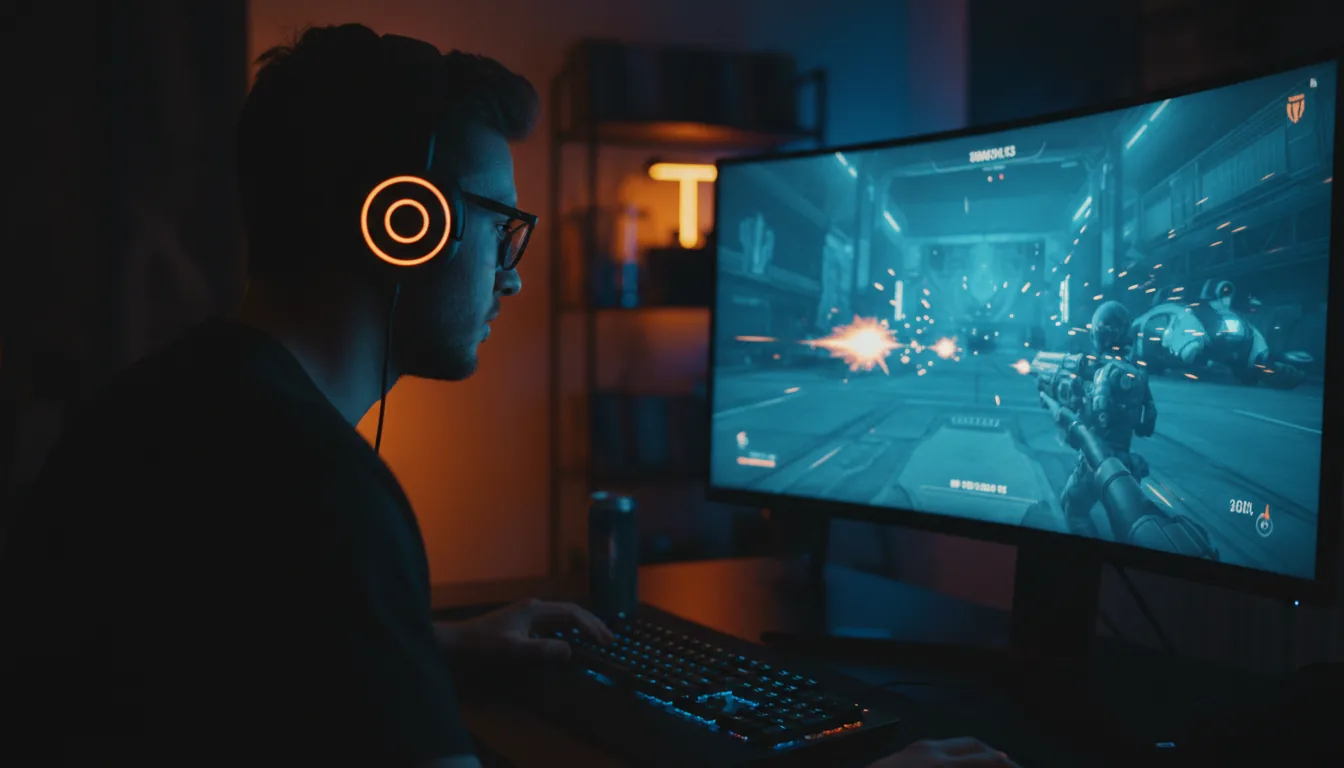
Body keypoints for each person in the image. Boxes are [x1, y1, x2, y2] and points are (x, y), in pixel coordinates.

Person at [0, 24, 1018, 768]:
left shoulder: (171, 407)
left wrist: (420, 640)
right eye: (499, 225)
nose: (514, 275)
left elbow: (213, 660)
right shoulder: (321, 489)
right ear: (403, 222)